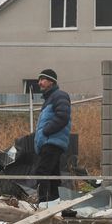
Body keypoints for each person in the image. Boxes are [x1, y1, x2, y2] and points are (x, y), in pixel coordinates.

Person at [33, 68, 71, 208]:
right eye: (39, 80)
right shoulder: (50, 98)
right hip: (49, 142)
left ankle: (43, 203)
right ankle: (54, 203)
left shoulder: (59, 95)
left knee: (41, 172)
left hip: (52, 142)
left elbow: (63, 116)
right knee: (53, 175)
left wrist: (46, 131)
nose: (39, 82)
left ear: (51, 81)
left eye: (42, 79)